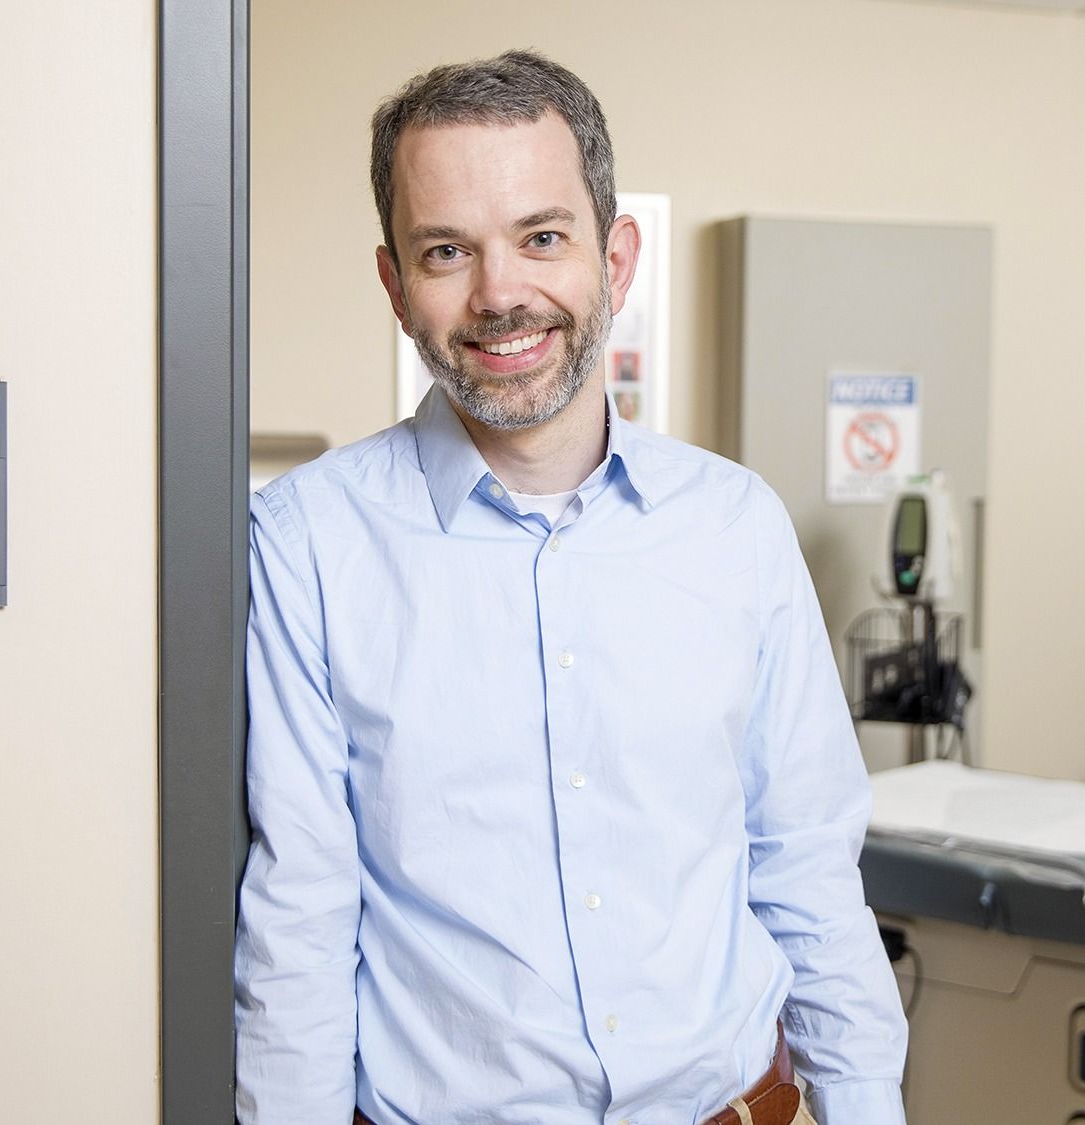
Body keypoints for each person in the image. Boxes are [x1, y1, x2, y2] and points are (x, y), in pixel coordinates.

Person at [236, 50, 908, 1125]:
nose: (500, 294)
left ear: (616, 258)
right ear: (395, 287)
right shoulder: (305, 544)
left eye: (542, 237)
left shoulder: (736, 528)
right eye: (446, 250)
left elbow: (808, 872)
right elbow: (297, 921)